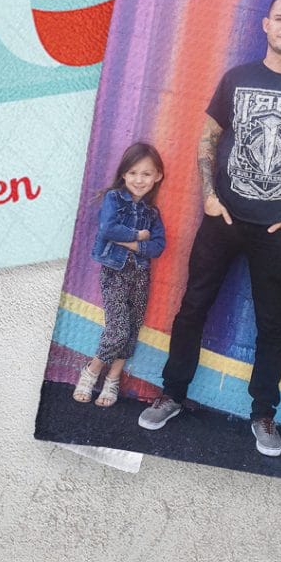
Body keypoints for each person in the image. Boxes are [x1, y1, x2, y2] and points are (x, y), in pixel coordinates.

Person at [138, 0, 281, 457]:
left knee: (271, 323)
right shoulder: (237, 78)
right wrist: (208, 196)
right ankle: (173, 393)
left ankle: (263, 413)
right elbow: (209, 136)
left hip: (276, 230)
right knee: (193, 307)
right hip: (223, 217)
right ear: (265, 24)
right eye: (280, 18)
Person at [73, 142, 166, 408]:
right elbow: (107, 229)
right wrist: (138, 236)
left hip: (140, 276)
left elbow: (158, 246)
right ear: (124, 174)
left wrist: (130, 243)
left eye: (146, 174)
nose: (139, 179)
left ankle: (113, 378)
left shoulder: (152, 213)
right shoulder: (114, 199)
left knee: (132, 329)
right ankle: (92, 371)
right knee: (118, 330)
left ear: (157, 176)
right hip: (114, 272)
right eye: (133, 173)